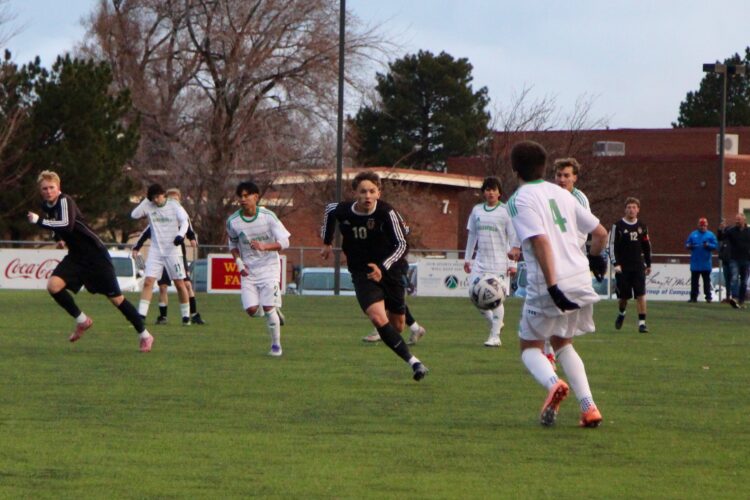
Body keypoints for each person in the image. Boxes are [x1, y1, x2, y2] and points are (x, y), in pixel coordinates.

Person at [506, 141, 608, 427]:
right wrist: (595, 260)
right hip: (579, 277)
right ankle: (589, 407)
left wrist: (552, 286)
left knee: (530, 347)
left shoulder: (519, 199)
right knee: (563, 344)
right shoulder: (564, 194)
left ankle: (554, 384)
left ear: (515, 170)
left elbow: (540, 241)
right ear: (544, 167)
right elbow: (601, 233)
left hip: (550, 282)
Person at [26, 170, 154, 352]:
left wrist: (39, 221)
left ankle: (145, 335)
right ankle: (82, 321)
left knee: (116, 299)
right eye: (44, 189)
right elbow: (57, 228)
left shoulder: (65, 201)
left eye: (51, 187)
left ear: (58, 187)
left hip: (95, 255)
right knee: (53, 286)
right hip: (76, 256)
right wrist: (59, 239)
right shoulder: (47, 206)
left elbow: (66, 224)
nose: (48, 191)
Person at [321, 171, 428, 381]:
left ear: (379, 193)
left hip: (391, 270)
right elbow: (329, 211)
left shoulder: (387, 213)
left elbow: (402, 244)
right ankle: (415, 363)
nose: (367, 196)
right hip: (362, 272)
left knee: (398, 326)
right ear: (355, 193)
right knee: (378, 318)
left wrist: (382, 266)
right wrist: (327, 242)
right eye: (363, 192)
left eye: (372, 191)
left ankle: (406, 321)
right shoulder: (343, 210)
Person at [226, 181, 290, 356]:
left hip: (269, 267)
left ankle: (276, 346)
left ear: (256, 197)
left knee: (268, 307)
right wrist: (239, 262)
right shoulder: (233, 222)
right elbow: (232, 244)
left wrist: (264, 246)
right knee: (251, 310)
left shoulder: (268, 217)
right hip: (249, 270)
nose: (243, 199)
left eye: (246, 195)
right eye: (240, 196)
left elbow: (285, 242)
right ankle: (274, 311)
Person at [132, 188, 206, 325]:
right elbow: (135, 216)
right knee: (151, 282)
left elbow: (186, 223)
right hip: (156, 251)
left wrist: (184, 236)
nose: (156, 200)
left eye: (157, 197)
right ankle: (142, 317)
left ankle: (187, 317)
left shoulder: (175, 207)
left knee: (181, 284)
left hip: (174, 251)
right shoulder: (150, 205)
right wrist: (146, 200)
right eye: (153, 197)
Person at [464, 176, 518, 347]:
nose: (491, 193)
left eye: (494, 189)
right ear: (484, 192)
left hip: (500, 263)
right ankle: (496, 323)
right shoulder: (477, 210)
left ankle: (495, 337)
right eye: (487, 189)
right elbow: (472, 235)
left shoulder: (506, 211)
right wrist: (467, 259)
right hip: (480, 262)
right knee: (475, 295)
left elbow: (513, 237)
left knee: (495, 298)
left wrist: (513, 264)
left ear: (499, 192)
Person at [609, 197, 652, 333]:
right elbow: (612, 246)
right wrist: (616, 263)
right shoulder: (618, 226)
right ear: (625, 209)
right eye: (629, 207)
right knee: (624, 297)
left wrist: (648, 263)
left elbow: (646, 246)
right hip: (623, 268)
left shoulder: (642, 226)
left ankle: (642, 323)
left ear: (638, 210)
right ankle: (622, 312)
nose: (631, 210)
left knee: (641, 294)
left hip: (638, 266)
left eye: (634, 207)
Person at [717, 213, 750, 308]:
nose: (737, 221)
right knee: (734, 278)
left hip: (746, 259)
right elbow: (721, 237)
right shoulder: (731, 231)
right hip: (734, 259)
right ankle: (735, 298)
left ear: (744, 220)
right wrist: (720, 230)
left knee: (744, 281)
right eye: (736, 219)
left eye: (739, 220)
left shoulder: (748, 231)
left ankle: (741, 300)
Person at [685, 217, 717, 303]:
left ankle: (708, 297)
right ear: (698, 225)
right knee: (694, 282)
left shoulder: (710, 235)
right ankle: (693, 297)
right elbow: (687, 244)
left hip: (705, 262)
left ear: (706, 226)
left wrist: (708, 245)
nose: (702, 227)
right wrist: (689, 246)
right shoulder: (693, 234)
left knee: (706, 281)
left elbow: (715, 246)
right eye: (701, 225)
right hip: (695, 262)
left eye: (704, 226)